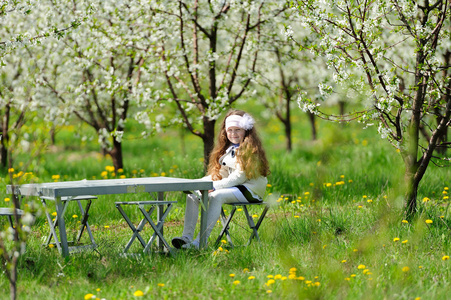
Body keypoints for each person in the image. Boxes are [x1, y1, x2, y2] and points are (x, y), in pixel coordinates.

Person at [172, 109, 270, 249]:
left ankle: (200, 242)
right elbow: (220, 174)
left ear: (246, 131)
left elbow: (238, 178)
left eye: (238, 130)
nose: (233, 134)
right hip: (234, 187)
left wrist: (213, 186)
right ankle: (186, 238)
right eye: (230, 130)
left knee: (216, 195)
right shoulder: (229, 149)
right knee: (193, 195)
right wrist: (197, 183)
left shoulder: (248, 149)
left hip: (250, 189)